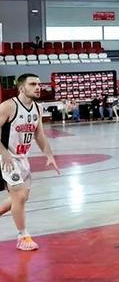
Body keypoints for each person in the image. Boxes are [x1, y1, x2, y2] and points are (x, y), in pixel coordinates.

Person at [0, 73, 60, 251]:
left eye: (38, 84)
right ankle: (23, 237)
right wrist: (4, 154)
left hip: (21, 158)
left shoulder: (37, 108)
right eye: (33, 84)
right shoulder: (8, 107)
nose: (38, 87)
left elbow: (39, 134)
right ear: (21, 88)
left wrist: (49, 155)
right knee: (18, 196)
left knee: (20, 199)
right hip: (5, 157)